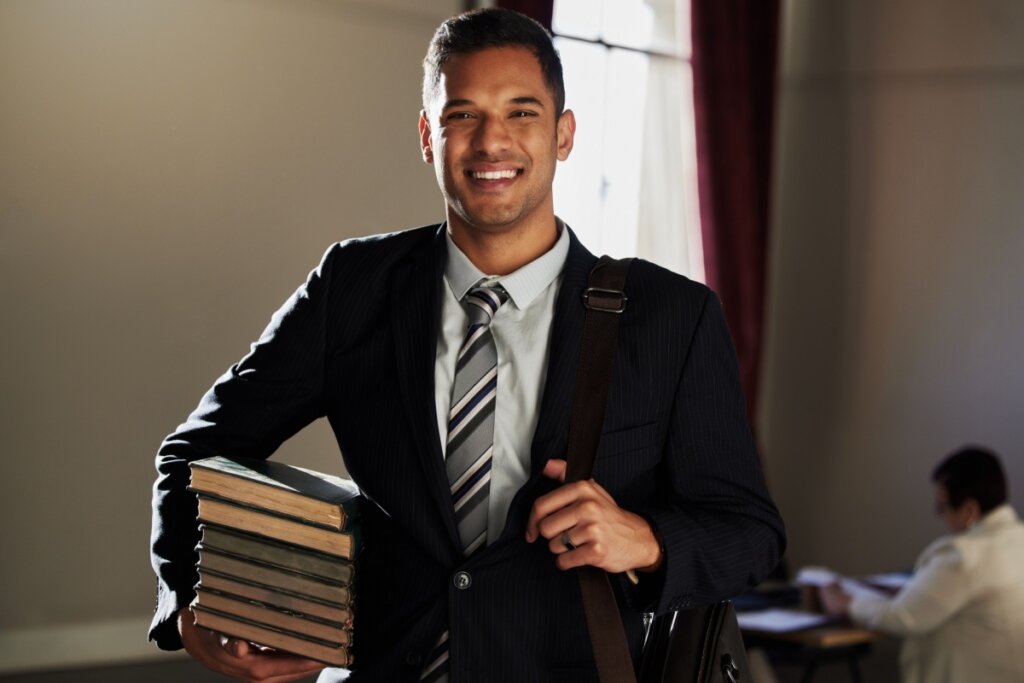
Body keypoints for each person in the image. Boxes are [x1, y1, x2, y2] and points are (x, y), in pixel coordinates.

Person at [149, 8, 785, 683]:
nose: (491, 142)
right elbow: (193, 452)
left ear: (563, 134)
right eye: (462, 115)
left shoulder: (672, 317)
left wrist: (647, 540)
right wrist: (192, 597)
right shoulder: (352, 289)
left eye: (521, 113)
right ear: (428, 135)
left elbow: (752, 533)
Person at [819, 446, 1024, 683]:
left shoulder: (964, 556)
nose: (940, 517)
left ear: (970, 510)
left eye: (942, 508)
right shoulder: (1017, 537)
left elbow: (904, 617)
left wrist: (847, 603)